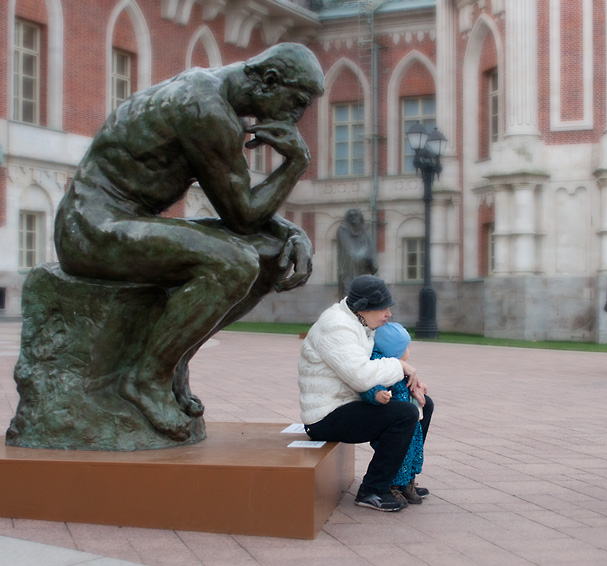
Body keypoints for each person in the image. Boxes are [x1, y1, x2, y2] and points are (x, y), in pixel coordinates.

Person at [52, 43, 324, 441]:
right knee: (233, 263)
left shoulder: (216, 100)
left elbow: (243, 209)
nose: (298, 117)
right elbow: (244, 215)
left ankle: (172, 360)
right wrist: (297, 163)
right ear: (268, 81)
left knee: (269, 253)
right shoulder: (206, 108)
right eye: (297, 102)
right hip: (90, 227)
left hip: (128, 221)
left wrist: (290, 231)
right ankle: (145, 380)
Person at [298, 275, 433, 512]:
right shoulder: (336, 326)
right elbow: (361, 376)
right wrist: (401, 367)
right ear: (363, 308)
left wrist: (411, 380)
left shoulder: (360, 322)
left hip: (351, 401)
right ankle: (372, 489)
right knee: (405, 414)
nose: (388, 314)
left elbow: (376, 361)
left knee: (423, 405)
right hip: (326, 416)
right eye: (383, 308)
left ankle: (401, 480)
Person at [361, 322, 432, 506]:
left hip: (410, 423)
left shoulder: (398, 368)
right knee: (401, 455)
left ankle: (406, 483)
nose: (409, 351)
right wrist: (376, 394)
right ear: (394, 352)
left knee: (411, 452)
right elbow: (369, 384)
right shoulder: (381, 367)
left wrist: (417, 387)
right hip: (391, 417)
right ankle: (392, 487)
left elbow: (407, 383)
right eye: (406, 348)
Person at [337, 208, 378, 300]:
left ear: (360, 217)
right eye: (350, 216)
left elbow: (371, 248)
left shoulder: (365, 231)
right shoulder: (343, 230)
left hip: (363, 269)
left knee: (363, 293)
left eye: (356, 215)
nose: (353, 218)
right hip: (349, 268)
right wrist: (365, 252)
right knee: (349, 295)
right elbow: (350, 251)